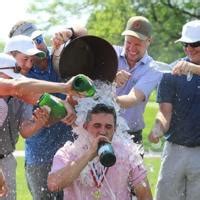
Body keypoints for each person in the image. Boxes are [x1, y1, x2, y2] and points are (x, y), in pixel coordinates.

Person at [8, 21, 86, 199]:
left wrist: (68, 32)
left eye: (39, 39)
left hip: (72, 151)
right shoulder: (21, 74)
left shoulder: (59, 55)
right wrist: (63, 100)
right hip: (40, 156)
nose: (38, 46)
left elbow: (84, 34)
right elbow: (32, 92)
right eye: (31, 44)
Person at [0, 52, 77, 200]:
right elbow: (17, 87)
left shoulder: (9, 97)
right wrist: (65, 87)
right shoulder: (7, 97)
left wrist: (64, 104)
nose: (12, 81)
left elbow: (34, 94)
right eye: (9, 77)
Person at [48, 101, 152, 200]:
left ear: (115, 129)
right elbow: (53, 184)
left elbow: (144, 193)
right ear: (85, 127)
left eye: (108, 127)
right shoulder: (68, 152)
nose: (102, 131)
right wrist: (89, 154)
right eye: (97, 126)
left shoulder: (128, 152)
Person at [148, 20, 200, 200]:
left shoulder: (188, 68)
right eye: (186, 44)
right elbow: (164, 112)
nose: (189, 49)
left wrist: (195, 69)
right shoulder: (173, 72)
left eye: (195, 44)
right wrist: (158, 128)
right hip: (174, 150)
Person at [113, 16, 162, 156]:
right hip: (100, 131)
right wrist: (111, 79)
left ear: (149, 41)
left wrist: (107, 97)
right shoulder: (110, 54)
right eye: (128, 42)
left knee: (134, 178)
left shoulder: (153, 69)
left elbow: (133, 99)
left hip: (131, 135)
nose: (132, 48)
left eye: (138, 44)